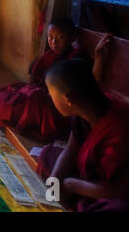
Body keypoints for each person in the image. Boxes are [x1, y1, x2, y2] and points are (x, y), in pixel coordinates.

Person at [37, 59, 129, 212]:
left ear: (68, 99)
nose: (50, 98)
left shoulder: (119, 129)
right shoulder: (86, 109)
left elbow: (118, 189)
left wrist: (72, 185)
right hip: (88, 178)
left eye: (51, 94)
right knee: (48, 155)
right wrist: (55, 179)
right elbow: (70, 149)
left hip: (113, 190)